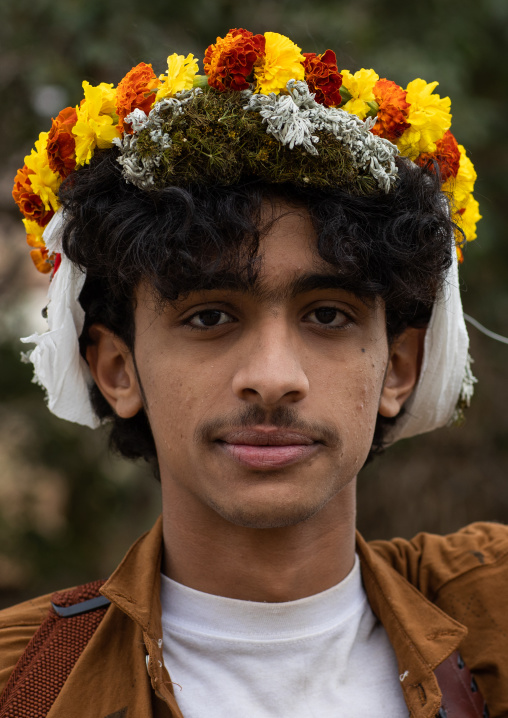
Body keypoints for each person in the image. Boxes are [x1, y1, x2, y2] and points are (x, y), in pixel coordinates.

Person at [2, 28, 505, 718]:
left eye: (328, 315)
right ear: (118, 370)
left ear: (399, 368)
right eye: (210, 318)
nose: (272, 378)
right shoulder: (26, 681)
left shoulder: (493, 623)